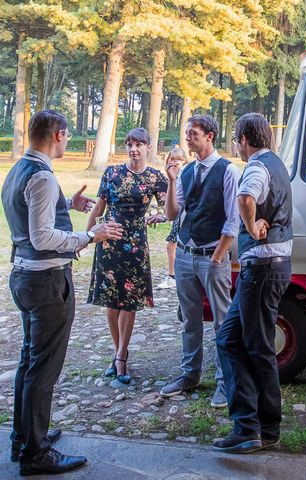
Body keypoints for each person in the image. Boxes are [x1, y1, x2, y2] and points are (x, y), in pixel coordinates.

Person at [1, 110, 123, 475]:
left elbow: (29, 215)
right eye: (66, 136)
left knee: (29, 360)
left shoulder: (18, 170)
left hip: (25, 278)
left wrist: (67, 204)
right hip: (46, 282)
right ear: (57, 135)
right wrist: (90, 235)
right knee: (43, 368)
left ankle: (25, 437)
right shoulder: (41, 176)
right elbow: (42, 238)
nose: (67, 142)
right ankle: (35, 454)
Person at [213, 113, 293, 454]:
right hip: (266, 267)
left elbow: (246, 197)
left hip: (263, 267)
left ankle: (266, 427)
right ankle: (247, 425)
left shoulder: (258, 167)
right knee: (230, 340)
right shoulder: (276, 163)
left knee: (259, 347)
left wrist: (251, 227)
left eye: (236, 139)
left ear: (245, 138)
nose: (236, 146)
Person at [161, 114, 240, 409]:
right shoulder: (186, 171)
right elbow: (172, 213)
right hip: (184, 253)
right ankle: (189, 374)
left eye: (193, 133)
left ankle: (224, 382)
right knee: (189, 320)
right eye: (187, 132)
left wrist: (218, 256)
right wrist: (170, 181)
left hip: (212, 255)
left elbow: (233, 220)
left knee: (222, 322)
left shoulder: (228, 171)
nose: (188, 137)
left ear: (210, 135)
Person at [86, 128, 167, 385]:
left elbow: (172, 208)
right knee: (112, 300)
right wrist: (86, 237)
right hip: (109, 241)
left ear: (148, 148)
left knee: (129, 301)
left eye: (139, 144)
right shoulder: (111, 172)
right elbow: (99, 208)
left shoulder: (156, 177)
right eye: (130, 144)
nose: (134, 148)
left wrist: (161, 216)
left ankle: (121, 356)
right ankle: (118, 352)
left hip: (135, 244)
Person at [157, 147, 191, 290]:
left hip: (185, 219)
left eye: (179, 160)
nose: (175, 162)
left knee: (175, 245)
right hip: (177, 218)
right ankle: (173, 274)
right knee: (172, 245)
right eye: (172, 159)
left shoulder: (186, 175)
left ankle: (174, 276)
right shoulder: (171, 178)